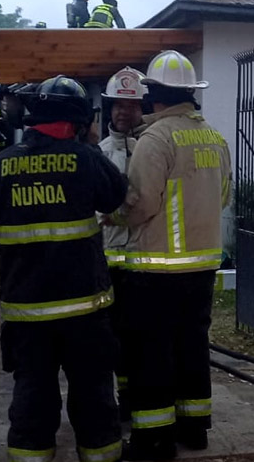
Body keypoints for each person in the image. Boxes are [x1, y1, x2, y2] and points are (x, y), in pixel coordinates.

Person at [0, 75, 129, 462]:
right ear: (77, 121)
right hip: (84, 310)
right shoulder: (87, 158)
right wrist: (89, 146)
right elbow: (116, 195)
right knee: (94, 394)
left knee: (32, 393)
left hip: (26, 311)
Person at [122, 50, 231, 461]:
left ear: (155, 95)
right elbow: (222, 196)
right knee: (191, 347)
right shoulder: (214, 138)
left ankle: (154, 439)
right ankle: (195, 428)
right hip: (202, 266)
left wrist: (112, 214)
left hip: (157, 269)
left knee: (152, 353)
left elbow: (140, 203)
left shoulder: (156, 139)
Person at [98, 66, 148, 419]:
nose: (122, 111)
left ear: (142, 108)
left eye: (129, 106)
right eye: (117, 104)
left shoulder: (153, 147)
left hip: (144, 261)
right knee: (112, 339)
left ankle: (140, 398)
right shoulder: (99, 153)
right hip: (108, 263)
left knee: (141, 337)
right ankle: (123, 396)